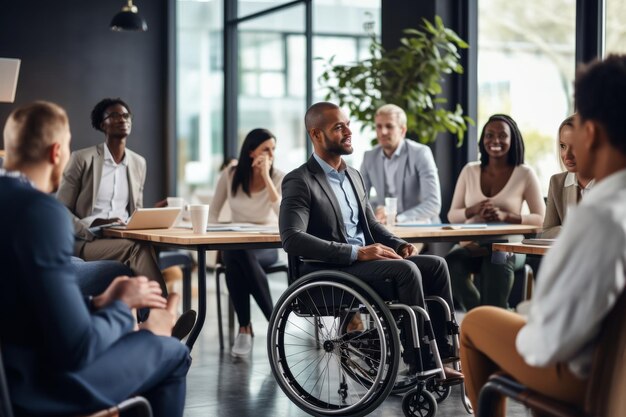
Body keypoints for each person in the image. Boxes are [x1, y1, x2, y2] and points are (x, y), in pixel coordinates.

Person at [460, 54, 626, 417]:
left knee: (475, 322)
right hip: (619, 379)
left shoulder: (600, 215)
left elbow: (549, 344)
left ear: (592, 133)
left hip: (588, 375)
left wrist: (527, 321)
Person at [0, 101, 191, 417]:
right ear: (56, 153)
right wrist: (126, 314)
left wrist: (100, 303)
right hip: (31, 385)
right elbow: (77, 349)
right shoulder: (40, 213)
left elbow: (25, 303)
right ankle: (157, 320)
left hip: (16, 365)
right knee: (172, 352)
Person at [279, 102, 463, 383]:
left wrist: (398, 244)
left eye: (348, 124)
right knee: (407, 271)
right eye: (338, 127)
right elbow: (292, 238)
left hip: (363, 264)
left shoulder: (353, 175)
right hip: (331, 271)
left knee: (436, 265)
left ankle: (443, 356)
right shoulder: (300, 180)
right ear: (316, 135)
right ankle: (421, 363)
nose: (348, 131)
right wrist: (357, 252)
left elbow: (371, 225)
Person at [56, 98, 166, 294]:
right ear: (102, 124)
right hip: (87, 241)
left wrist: (151, 217)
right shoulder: (82, 159)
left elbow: (135, 212)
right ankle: (161, 311)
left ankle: (147, 316)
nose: (122, 119)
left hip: (122, 238)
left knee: (140, 246)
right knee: (137, 249)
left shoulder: (138, 163)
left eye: (125, 115)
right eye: (114, 115)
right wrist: (91, 228)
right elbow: (60, 210)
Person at [445, 114, 545, 310]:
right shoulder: (469, 171)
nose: (495, 140)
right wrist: (473, 210)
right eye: (489, 135)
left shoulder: (524, 173)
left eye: (502, 135)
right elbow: (452, 215)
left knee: (497, 262)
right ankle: (482, 315)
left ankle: (493, 317)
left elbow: (541, 219)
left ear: (512, 139)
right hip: (472, 244)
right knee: (450, 263)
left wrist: (506, 216)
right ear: (483, 140)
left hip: (508, 246)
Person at [209, 128, 284, 358]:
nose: (270, 154)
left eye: (273, 149)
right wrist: (217, 238)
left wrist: (266, 178)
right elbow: (212, 213)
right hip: (237, 243)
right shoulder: (231, 175)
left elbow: (283, 214)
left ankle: (246, 328)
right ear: (251, 152)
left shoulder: (279, 177)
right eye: (265, 149)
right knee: (235, 254)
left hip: (267, 246)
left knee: (237, 256)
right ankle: (274, 326)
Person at [360, 104, 441, 224]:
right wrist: (377, 210)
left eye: (389, 126)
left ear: (403, 130)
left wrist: (396, 218)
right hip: (386, 227)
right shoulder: (369, 157)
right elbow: (360, 199)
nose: (383, 132)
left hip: (419, 226)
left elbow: (433, 204)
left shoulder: (420, 153)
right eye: (379, 126)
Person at [542, 115, 595, 238]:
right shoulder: (557, 182)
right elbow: (546, 233)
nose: (567, 155)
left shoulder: (612, 183)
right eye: (562, 146)